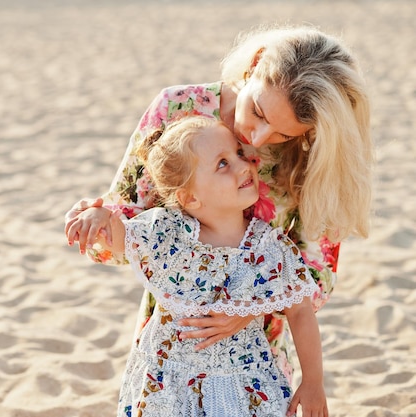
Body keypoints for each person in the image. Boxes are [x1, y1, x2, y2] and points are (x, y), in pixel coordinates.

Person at [64, 23, 372, 381]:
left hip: (259, 350)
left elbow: (315, 277)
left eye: (283, 133)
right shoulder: (177, 108)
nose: (256, 138)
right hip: (177, 338)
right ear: (256, 63)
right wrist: (97, 221)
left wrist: (247, 308)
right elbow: (129, 225)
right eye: (258, 111)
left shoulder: (313, 153)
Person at [66, 116, 327, 417]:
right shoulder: (168, 232)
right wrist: (99, 216)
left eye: (239, 154)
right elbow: (119, 236)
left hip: (242, 382)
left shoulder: (269, 247)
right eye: (222, 164)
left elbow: (300, 310)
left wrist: (313, 381)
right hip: (170, 382)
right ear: (189, 197)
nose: (244, 166)